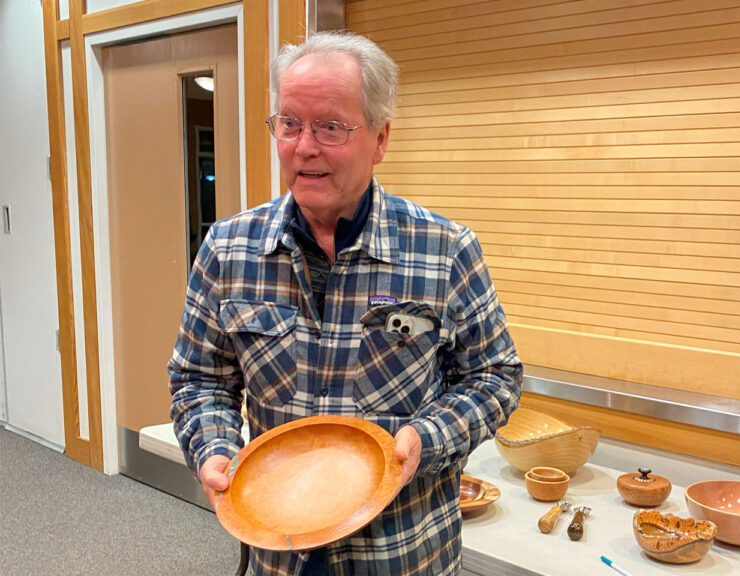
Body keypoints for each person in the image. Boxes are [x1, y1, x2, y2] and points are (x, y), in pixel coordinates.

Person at [169, 31, 523, 575]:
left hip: (404, 554)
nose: (304, 146)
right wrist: (213, 446)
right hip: (277, 552)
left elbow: (495, 376)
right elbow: (200, 379)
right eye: (289, 123)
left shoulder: (445, 249)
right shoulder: (227, 249)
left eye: (331, 126)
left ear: (380, 139)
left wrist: (423, 441)